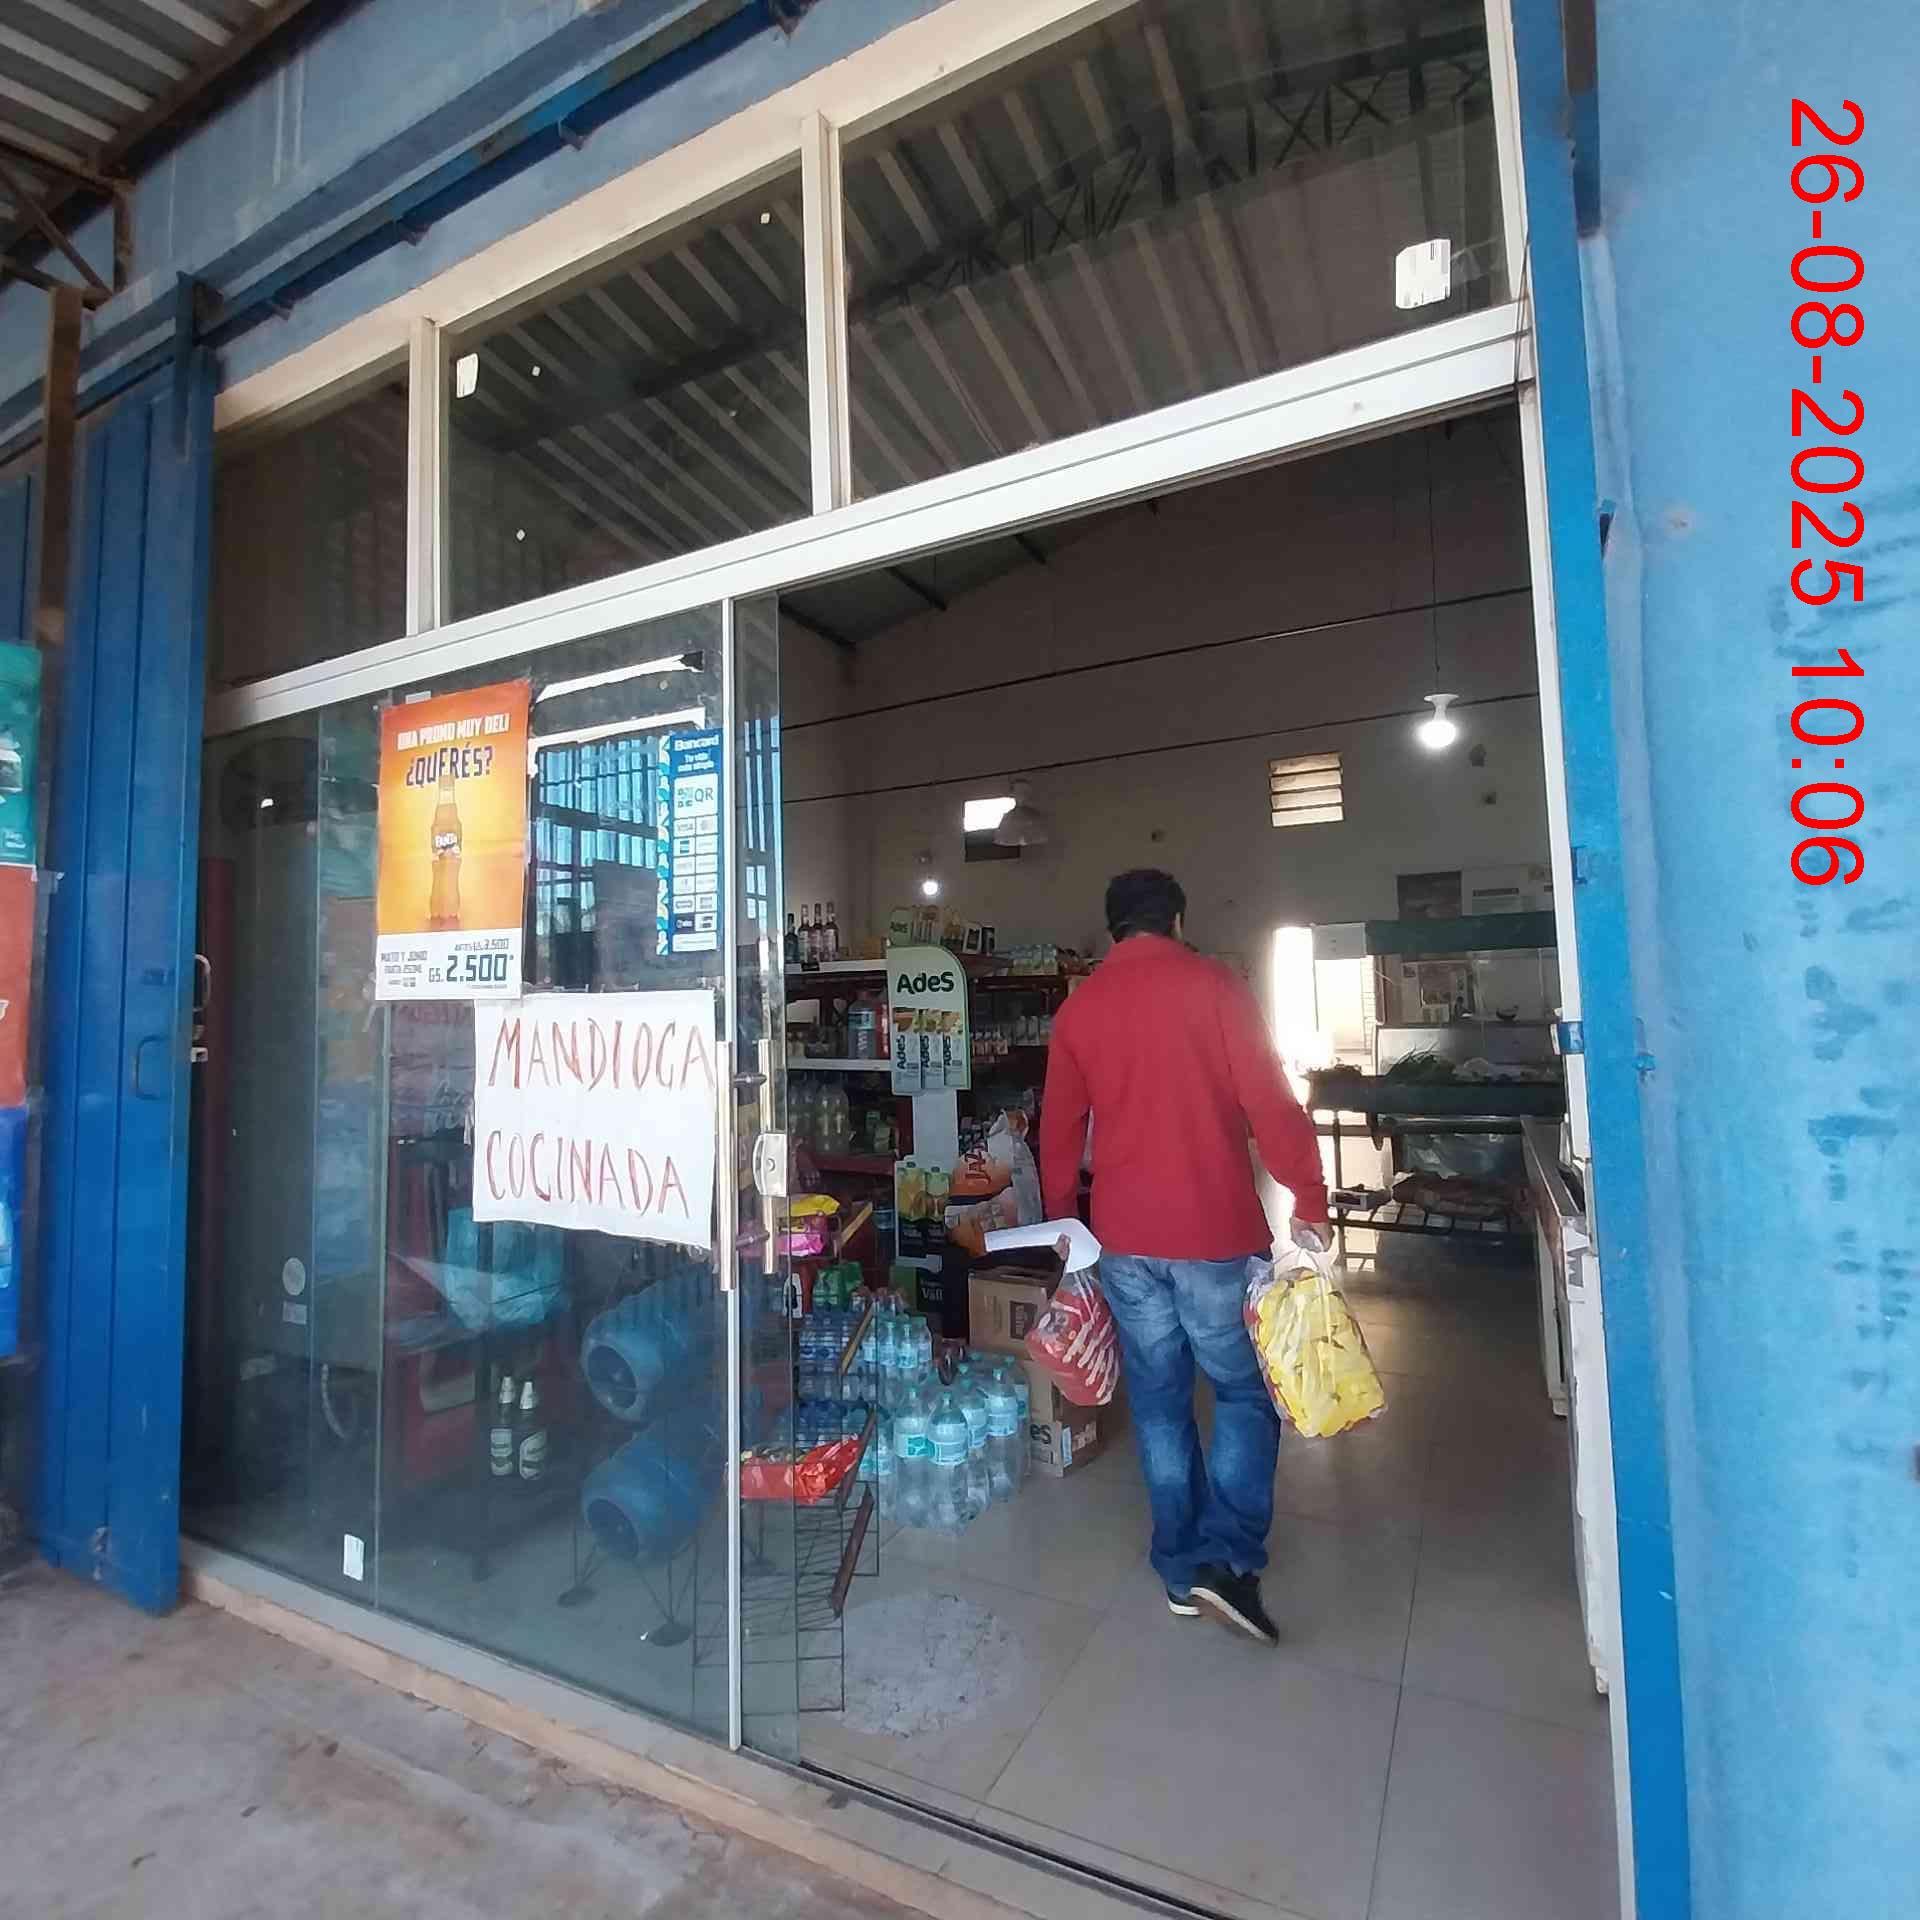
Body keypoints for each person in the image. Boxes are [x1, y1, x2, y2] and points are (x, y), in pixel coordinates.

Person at [1038, 869, 1330, 1645]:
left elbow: (1059, 1127)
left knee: (1160, 1401)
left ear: (1112, 928)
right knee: (1241, 1392)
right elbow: (1270, 1100)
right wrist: (1308, 1194)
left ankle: (1178, 1564)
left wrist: (1064, 1218)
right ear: (1175, 918)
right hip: (1213, 1235)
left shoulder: (1080, 1008)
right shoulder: (1217, 987)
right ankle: (1227, 1560)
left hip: (1125, 1241)